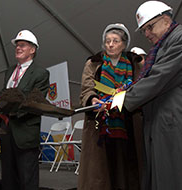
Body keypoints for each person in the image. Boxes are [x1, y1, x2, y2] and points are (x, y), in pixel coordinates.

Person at [123, 1, 182, 189]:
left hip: (172, 120)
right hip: (159, 119)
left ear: (165, 19)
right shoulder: (161, 46)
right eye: (143, 31)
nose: (147, 34)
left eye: (149, 27)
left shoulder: (179, 39)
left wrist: (122, 100)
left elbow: (158, 77)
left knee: (170, 176)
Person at [78, 23, 144, 190]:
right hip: (100, 123)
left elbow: (142, 86)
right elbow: (86, 88)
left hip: (127, 121)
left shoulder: (134, 62)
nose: (110, 44)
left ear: (124, 43)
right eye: (107, 41)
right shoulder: (94, 63)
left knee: (128, 166)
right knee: (100, 169)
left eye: (115, 41)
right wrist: (92, 100)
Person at [0, 29, 50, 190]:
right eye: (17, 46)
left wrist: (10, 108)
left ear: (33, 50)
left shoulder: (40, 74)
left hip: (25, 134)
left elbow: (34, 102)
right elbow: (5, 94)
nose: (18, 48)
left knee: (28, 179)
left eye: (22, 45)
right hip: (6, 131)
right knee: (8, 178)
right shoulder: (9, 71)